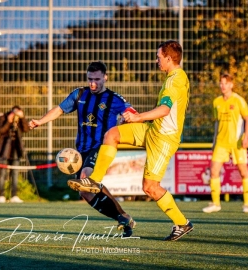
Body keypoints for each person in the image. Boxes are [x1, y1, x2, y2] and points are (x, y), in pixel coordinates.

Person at [68, 41, 193, 241]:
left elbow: (165, 110)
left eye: (159, 57)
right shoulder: (175, 77)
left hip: (164, 139)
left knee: (150, 187)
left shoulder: (174, 81)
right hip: (153, 129)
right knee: (112, 134)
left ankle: (182, 223)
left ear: (169, 58)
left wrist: (138, 117)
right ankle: (94, 180)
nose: (156, 60)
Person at [29, 61, 138, 237]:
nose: (93, 83)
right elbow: (59, 109)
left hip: (100, 147)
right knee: (85, 192)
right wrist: (40, 121)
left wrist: (127, 119)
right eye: (90, 79)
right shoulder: (79, 94)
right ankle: (122, 217)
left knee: (86, 178)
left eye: (97, 79)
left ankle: (122, 217)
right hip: (82, 150)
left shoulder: (114, 99)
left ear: (105, 77)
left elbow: (134, 113)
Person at [202, 74, 248, 214]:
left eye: (225, 83)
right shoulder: (216, 102)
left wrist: (246, 137)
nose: (222, 86)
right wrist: (214, 141)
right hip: (221, 143)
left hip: (237, 143)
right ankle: (215, 203)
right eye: (221, 83)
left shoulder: (239, 100)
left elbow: (247, 119)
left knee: (243, 171)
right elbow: (216, 123)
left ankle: (247, 204)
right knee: (214, 171)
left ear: (231, 85)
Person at [0, 105, 29, 203]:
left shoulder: (20, 120)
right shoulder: (4, 117)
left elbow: (26, 129)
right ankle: (1, 195)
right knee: (2, 173)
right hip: (4, 149)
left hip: (16, 149)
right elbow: (1, 130)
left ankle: (14, 195)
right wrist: (9, 121)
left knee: (15, 173)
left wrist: (22, 117)